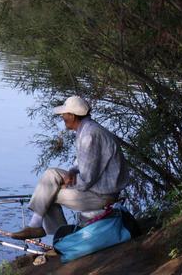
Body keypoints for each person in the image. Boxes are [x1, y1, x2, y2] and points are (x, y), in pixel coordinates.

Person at [10, 96, 130, 241]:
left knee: (49, 196)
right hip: (95, 187)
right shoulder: (86, 128)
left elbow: (87, 180)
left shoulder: (90, 135)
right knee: (51, 174)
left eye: (64, 114)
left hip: (102, 195)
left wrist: (68, 184)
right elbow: (83, 163)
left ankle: (61, 239)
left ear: (72, 116)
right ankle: (35, 225)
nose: (62, 117)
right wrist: (72, 171)